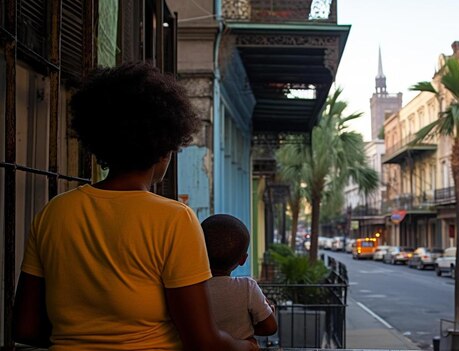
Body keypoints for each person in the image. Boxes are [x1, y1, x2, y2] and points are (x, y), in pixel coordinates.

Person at [13, 62, 258, 351]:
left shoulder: (53, 212)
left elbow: (25, 327)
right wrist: (248, 347)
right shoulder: (175, 219)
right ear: (165, 146)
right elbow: (203, 340)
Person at [201, 214, 278, 343]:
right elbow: (270, 327)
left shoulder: (189, 289)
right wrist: (246, 328)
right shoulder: (247, 287)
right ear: (243, 259)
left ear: (198, 251)